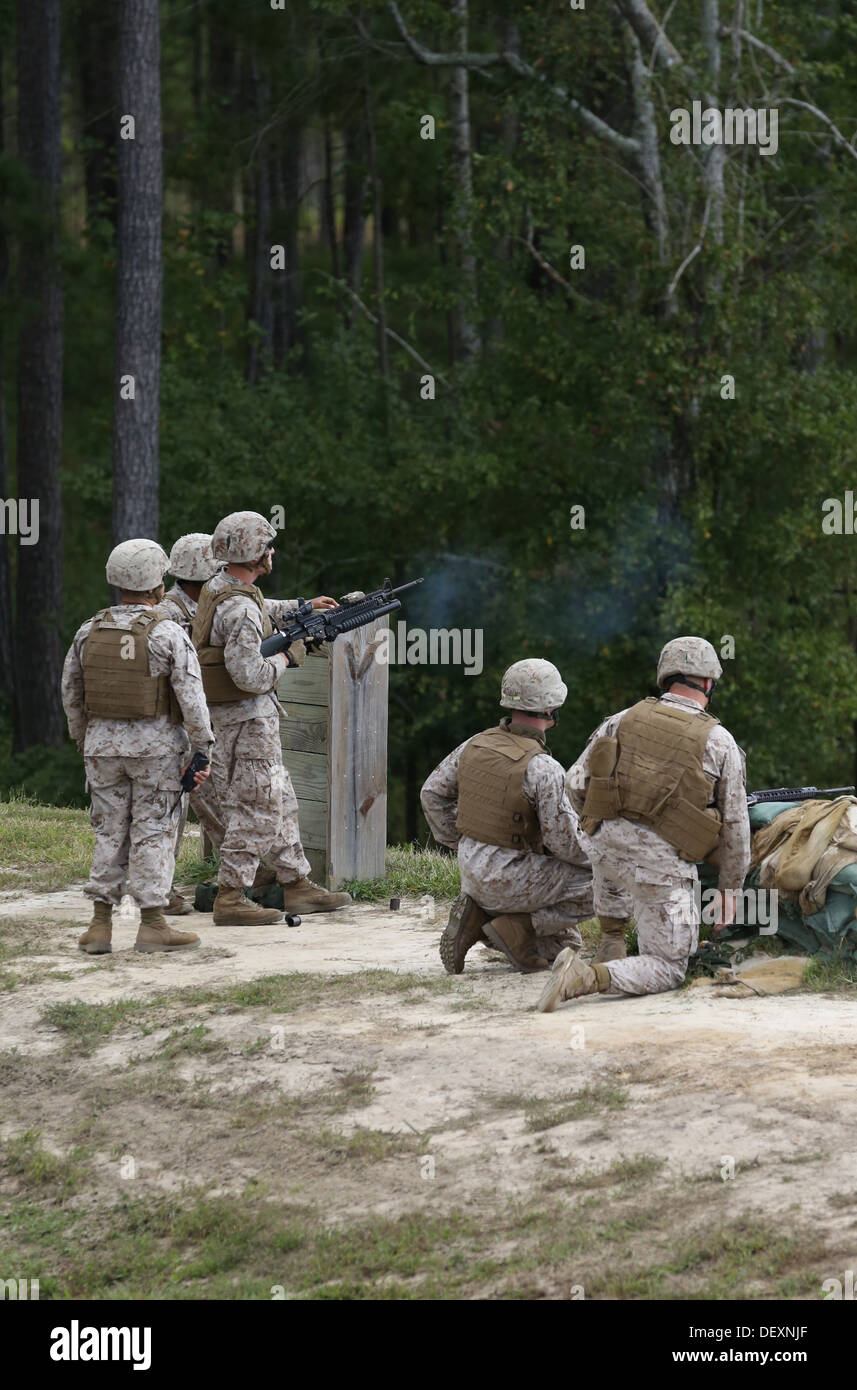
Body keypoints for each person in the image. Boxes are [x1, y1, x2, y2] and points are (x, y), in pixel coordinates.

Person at [538, 636, 751, 1012]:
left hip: (603, 853)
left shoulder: (621, 720)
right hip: (659, 871)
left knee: (612, 841)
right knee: (670, 967)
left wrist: (605, 824)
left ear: (666, 676)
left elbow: (573, 785)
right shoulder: (719, 742)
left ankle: (612, 938)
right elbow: (735, 831)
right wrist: (729, 896)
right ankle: (587, 978)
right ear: (707, 682)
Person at [191, 510, 351, 925]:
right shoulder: (240, 611)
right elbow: (249, 675)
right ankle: (231, 895)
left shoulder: (220, 587)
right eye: (267, 546)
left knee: (281, 801)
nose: (272, 552)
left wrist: (302, 607)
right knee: (258, 807)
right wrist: (287, 657)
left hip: (232, 720)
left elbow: (259, 607)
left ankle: (295, 884)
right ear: (255, 554)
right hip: (246, 723)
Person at [61, 540, 214, 954]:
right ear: (157, 585)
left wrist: (85, 741)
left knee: (109, 832)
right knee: (154, 832)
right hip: (157, 752)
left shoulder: (88, 630)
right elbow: (193, 701)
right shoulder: (167, 633)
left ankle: (99, 925)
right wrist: (202, 753)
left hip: (101, 750)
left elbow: (71, 694)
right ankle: (152, 925)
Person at [421, 659, 613, 973]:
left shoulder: (474, 744)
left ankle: (486, 919)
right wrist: (609, 855)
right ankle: (514, 924)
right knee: (609, 877)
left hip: (470, 871)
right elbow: (566, 844)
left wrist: (463, 842)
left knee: (566, 947)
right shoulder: (543, 768)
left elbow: (431, 794)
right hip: (511, 877)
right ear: (551, 710)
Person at [159, 533, 227, 913]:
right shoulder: (169, 615)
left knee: (213, 803)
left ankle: (237, 877)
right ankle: (161, 891)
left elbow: (263, 606)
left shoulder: (205, 605)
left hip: (196, 724)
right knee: (173, 810)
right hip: (176, 726)